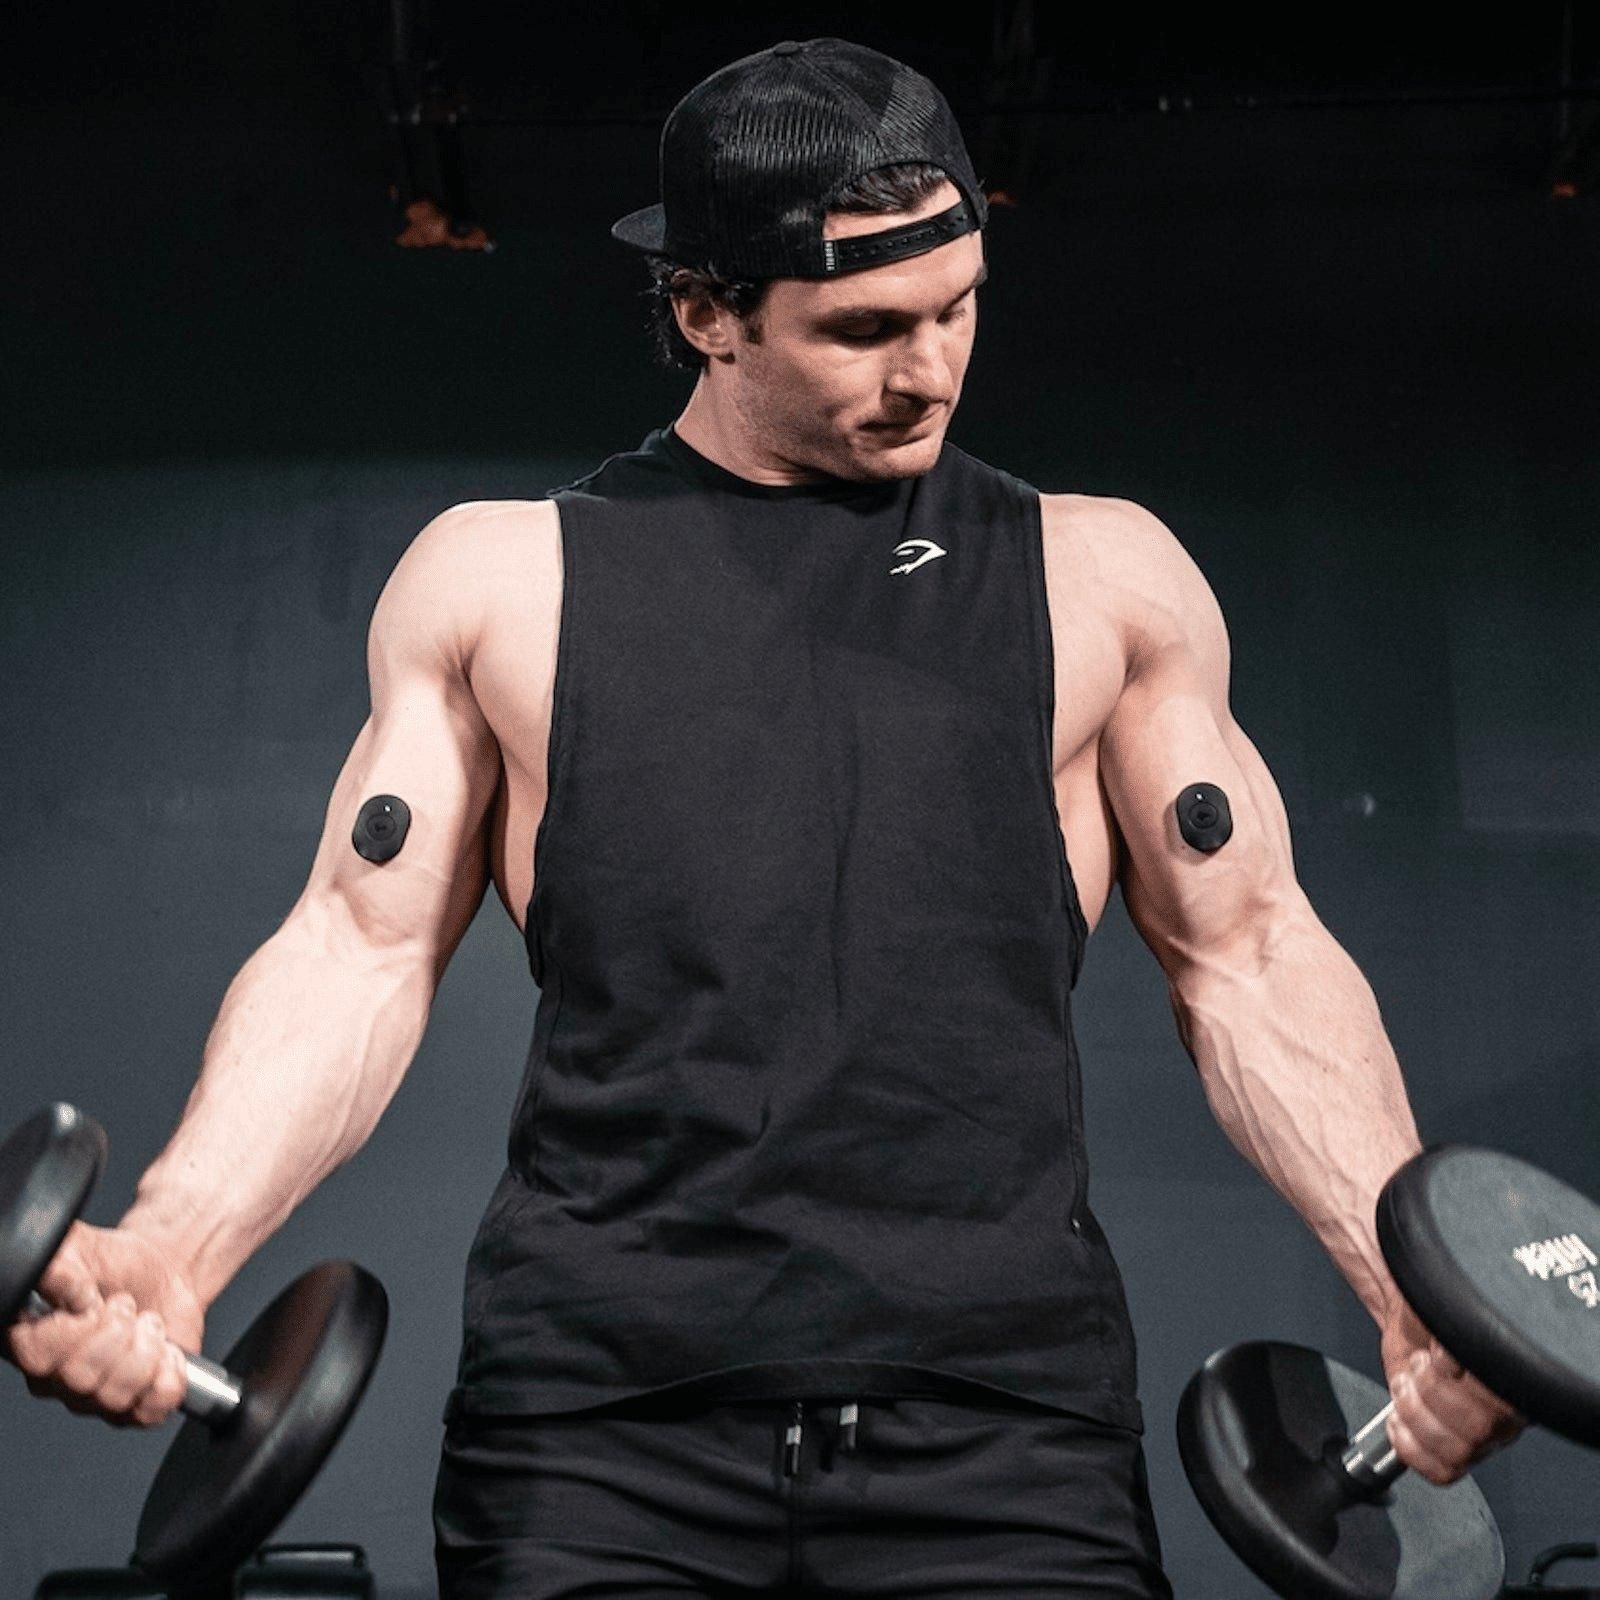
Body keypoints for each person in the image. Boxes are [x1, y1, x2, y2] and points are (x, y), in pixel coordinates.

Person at [6, 36, 1521, 1600]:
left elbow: (1252, 957)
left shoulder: (1102, 580)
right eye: (864, 330)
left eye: (960, 308)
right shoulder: (503, 583)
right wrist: (172, 1248)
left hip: (1006, 1431)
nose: (930, 369)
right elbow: (355, 952)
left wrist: (1422, 1292)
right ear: (704, 314)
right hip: (595, 1433)